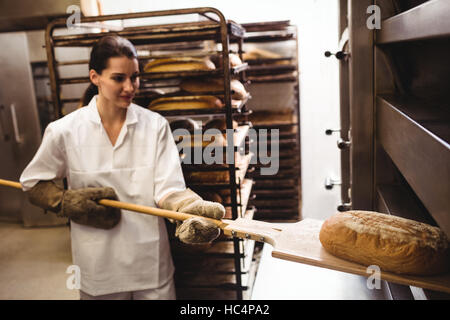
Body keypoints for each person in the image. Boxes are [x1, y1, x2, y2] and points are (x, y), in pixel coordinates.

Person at [20, 35, 225, 300]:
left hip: (150, 262)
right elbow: (33, 182)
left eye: (135, 77)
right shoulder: (65, 131)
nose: (130, 87)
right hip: (98, 265)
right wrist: (64, 200)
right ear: (95, 78)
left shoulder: (155, 126)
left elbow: (168, 188)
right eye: (119, 78)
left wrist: (188, 209)